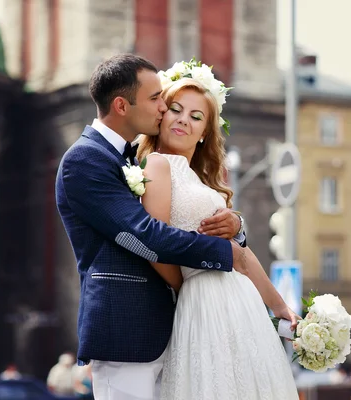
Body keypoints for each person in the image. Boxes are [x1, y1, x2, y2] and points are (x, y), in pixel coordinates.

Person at [55, 54, 250, 400]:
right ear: (121, 105)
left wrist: (234, 224)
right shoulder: (84, 160)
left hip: (167, 331)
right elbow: (143, 234)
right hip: (125, 333)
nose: (163, 107)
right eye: (155, 98)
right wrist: (225, 252)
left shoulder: (129, 158)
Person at [136, 73, 300, 399]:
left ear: (203, 134)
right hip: (203, 301)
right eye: (176, 109)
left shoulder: (203, 181)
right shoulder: (157, 164)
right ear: (161, 115)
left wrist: (280, 307)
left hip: (242, 302)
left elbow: (240, 255)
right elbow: (154, 245)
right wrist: (190, 284)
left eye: (196, 117)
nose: (184, 120)